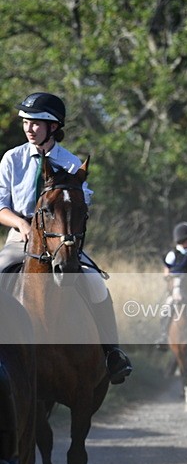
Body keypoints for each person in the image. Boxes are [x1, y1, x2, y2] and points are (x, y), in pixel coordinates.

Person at [0, 91, 132, 385]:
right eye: (26, 122)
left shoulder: (71, 163)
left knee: (95, 283)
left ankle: (112, 353)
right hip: (20, 239)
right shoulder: (12, 159)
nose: (29, 128)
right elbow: (0, 205)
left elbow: (82, 203)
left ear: (53, 127)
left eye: (36, 123)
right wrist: (22, 225)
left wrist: (66, 228)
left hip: (61, 240)